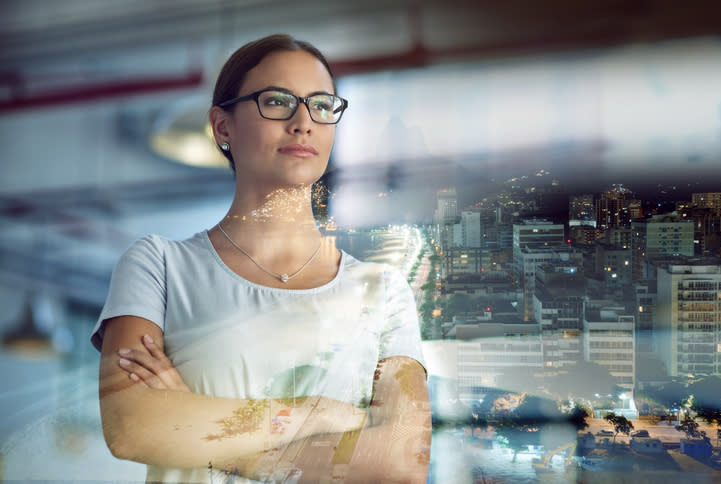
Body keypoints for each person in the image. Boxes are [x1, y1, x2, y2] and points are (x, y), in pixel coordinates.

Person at [92, 34, 430, 484]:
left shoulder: (385, 292)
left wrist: (205, 434)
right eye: (277, 101)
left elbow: (402, 464)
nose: (303, 122)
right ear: (222, 127)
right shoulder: (160, 265)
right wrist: (319, 414)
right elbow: (133, 428)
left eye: (322, 105)